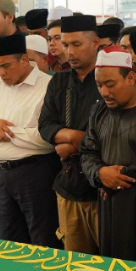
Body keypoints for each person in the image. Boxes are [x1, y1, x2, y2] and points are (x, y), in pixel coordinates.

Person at [80, 47, 136, 265]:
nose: (104, 92)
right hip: (109, 204)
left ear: (131, 77)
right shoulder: (99, 110)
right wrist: (99, 173)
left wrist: (116, 179)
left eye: (110, 84)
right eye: (99, 85)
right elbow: (87, 152)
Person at [0, 32, 60, 247]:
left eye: (6, 66)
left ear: (24, 60)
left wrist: (4, 134)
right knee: (9, 238)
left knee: (41, 237)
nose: (1, 72)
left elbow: (46, 137)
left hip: (33, 172)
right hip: (0, 174)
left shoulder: (49, 85)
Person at [38, 14, 103, 253]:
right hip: (68, 187)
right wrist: (74, 137)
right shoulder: (59, 82)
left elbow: (113, 133)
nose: (70, 52)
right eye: (65, 45)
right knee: (74, 264)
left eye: (77, 44)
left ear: (95, 43)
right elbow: (45, 126)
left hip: (102, 190)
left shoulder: (109, 79)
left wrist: (72, 143)